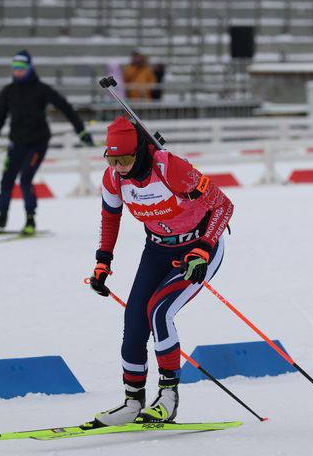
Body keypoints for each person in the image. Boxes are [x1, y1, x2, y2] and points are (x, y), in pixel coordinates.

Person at [88, 116, 234, 425]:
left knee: (160, 311)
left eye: (125, 159)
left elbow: (223, 205)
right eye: (112, 159)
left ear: (139, 152)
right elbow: (110, 218)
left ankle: (168, 398)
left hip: (198, 248)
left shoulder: (170, 168)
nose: (120, 166)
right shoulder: (113, 179)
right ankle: (132, 401)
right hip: (157, 249)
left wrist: (203, 250)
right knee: (134, 319)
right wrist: (103, 262)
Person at [0, 50, 93, 235]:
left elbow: (66, 108)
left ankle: (30, 219)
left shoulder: (41, 89)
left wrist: (81, 131)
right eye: (15, 68)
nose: (18, 71)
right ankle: (1, 218)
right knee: (6, 181)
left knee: (25, 179)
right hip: (16, 143)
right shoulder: (8, 91)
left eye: (22, 68)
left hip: (37, 144)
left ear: (30, 68)